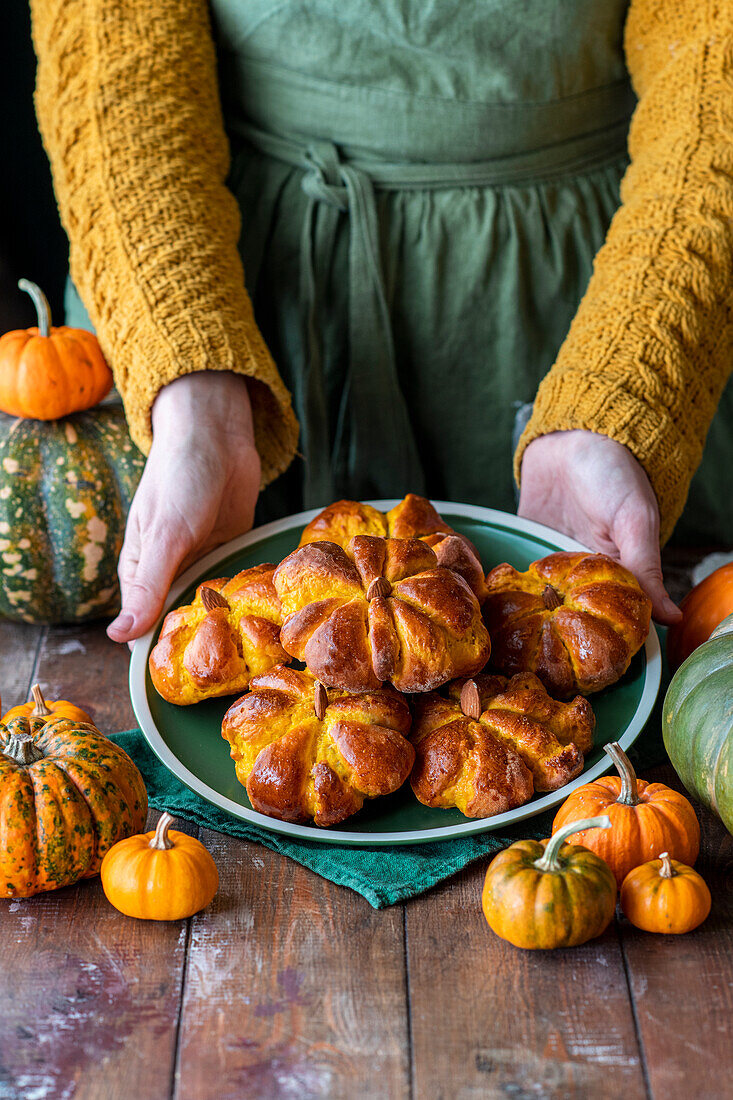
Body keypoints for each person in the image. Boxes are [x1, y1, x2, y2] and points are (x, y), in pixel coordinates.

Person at [29, 0, 733, 644]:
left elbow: (713, 64)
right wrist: (192, 391)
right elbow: (113, 62)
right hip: (218, 266)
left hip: (606, 277)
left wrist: (624, 388)